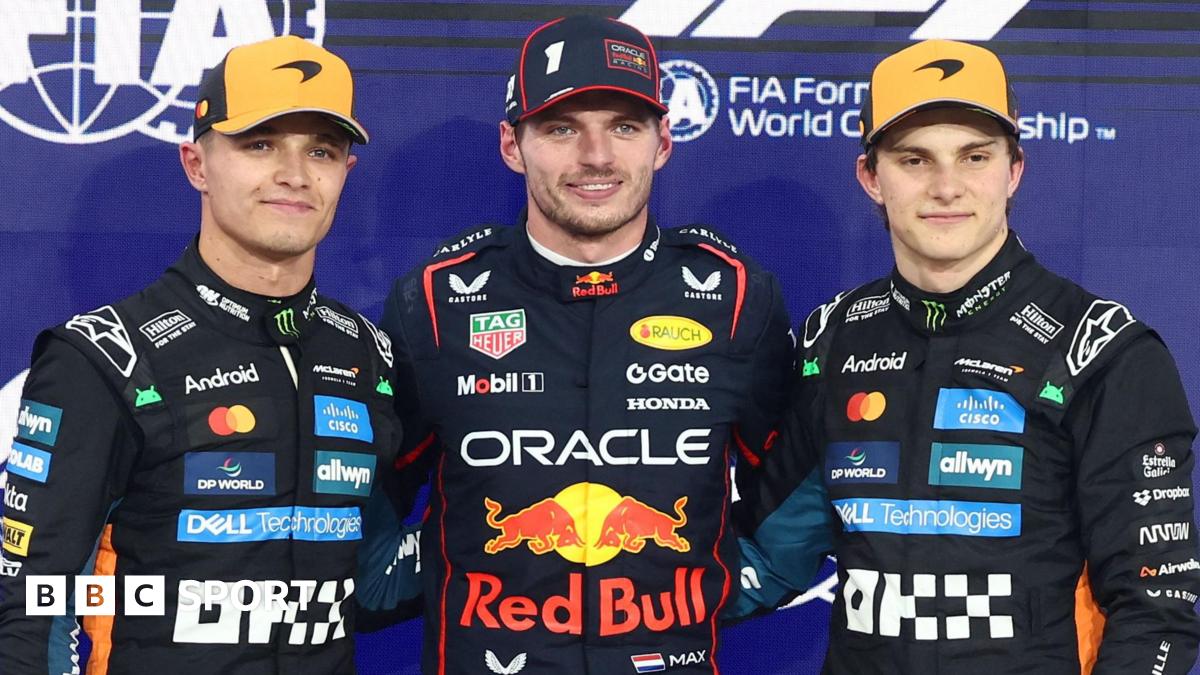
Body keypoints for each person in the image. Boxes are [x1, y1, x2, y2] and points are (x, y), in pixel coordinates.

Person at [737, 39, 1200, 673]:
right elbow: (768, 557)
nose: (947, 186)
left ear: (1013, 171)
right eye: (914, 159)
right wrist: (606, 589)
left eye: (974, 156)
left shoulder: (1102, 349)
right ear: (871, 177)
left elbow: (1159, 609)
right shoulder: (835, 337)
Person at [371, 14, 812, 674]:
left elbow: (796, 492)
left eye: (624, 127)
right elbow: (358, 498)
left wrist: (712, 586)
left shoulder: (737, 298)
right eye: (560, 128)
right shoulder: (433, 301)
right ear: (512, 145)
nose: (597, 156)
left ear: (663, 141)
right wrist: (445, 568)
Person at [0, 36, 403, 673]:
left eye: (320, 150)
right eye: (260, 143)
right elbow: (29, 605)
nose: (294, 174)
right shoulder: (105, 356)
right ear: (196, 164)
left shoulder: (364, 350)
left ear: (344, 174)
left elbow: (372, 576)